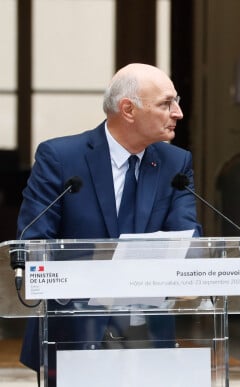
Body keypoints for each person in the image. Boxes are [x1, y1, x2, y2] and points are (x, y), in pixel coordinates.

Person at [16, 63, 203, 382]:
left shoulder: (176, 163)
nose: (178, 113)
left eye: (177, 101)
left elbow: (188, 242)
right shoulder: (60, 158)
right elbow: (34, 244)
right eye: (166, 103)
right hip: (73, 333)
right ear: (128, 109)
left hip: (147, 335)